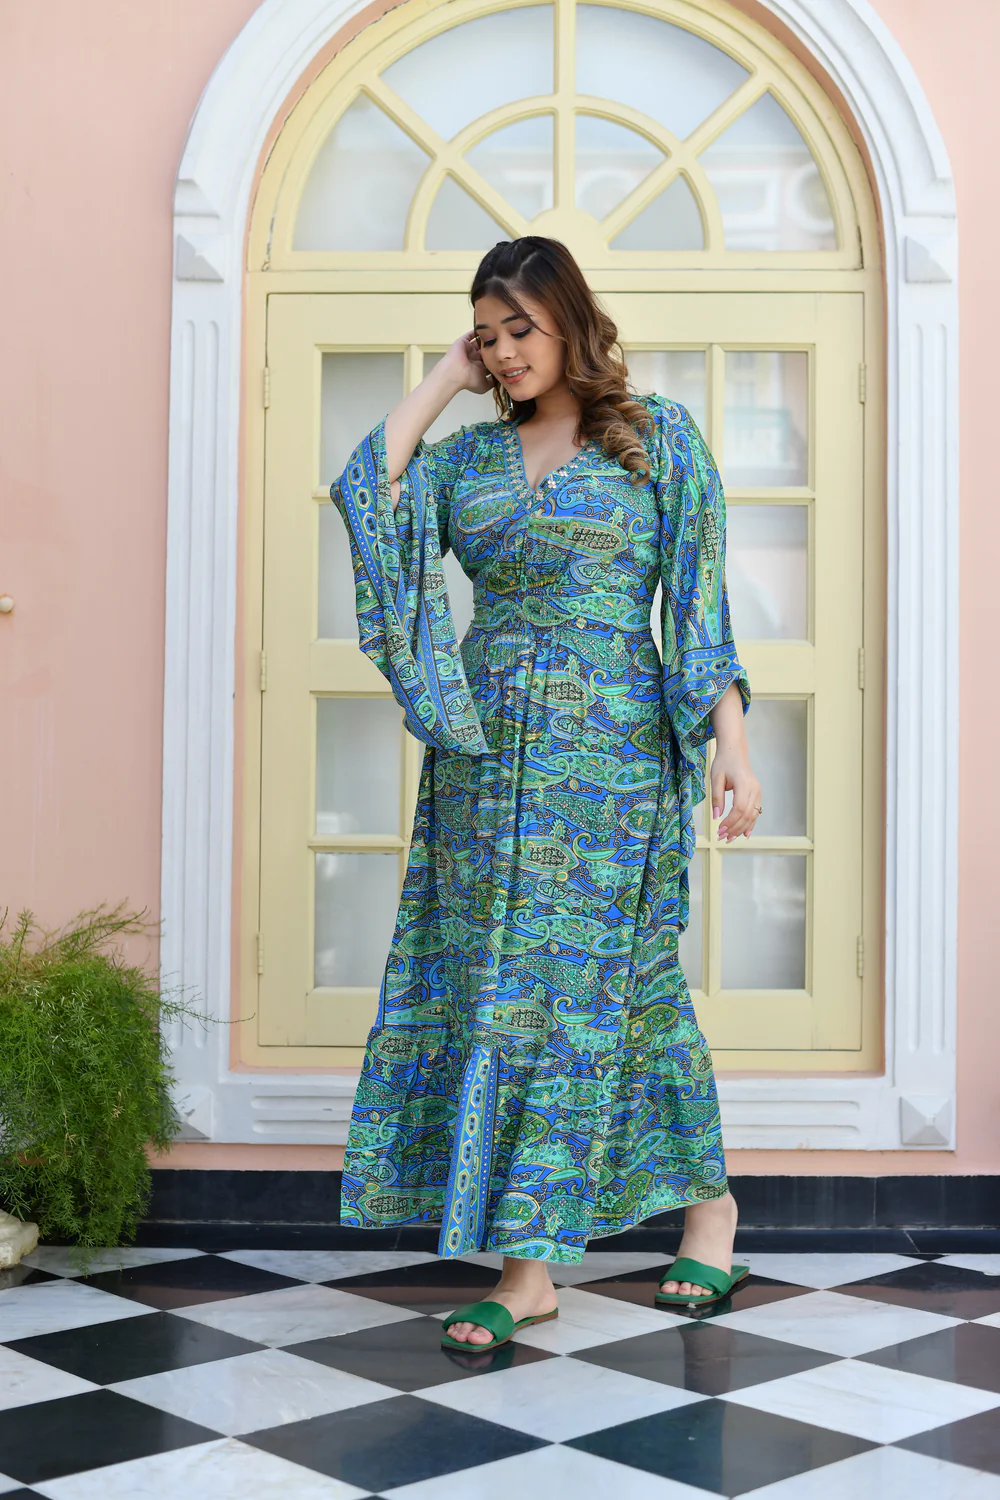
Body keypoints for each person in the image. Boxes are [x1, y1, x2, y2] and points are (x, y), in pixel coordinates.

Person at [332, 236, 761, 1348]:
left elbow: (699, 610)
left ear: (571, 319)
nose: (504, 351)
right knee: (499, 986)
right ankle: (543, 1265)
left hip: (611, 758)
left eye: (520, 328)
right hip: (483, 762)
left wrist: (731, 747)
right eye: (487, 334)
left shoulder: (656, 438)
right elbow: (366, 490)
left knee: (609, 985)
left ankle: (694, 1217)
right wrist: (444, 374)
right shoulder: (466, 460)